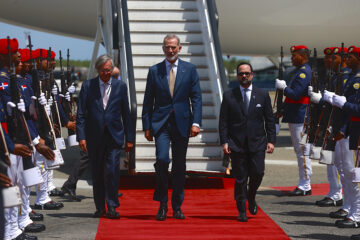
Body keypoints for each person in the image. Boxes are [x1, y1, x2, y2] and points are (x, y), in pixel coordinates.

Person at [142, 34, 202, 221]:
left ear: (180, 48)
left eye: (173, 47)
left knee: (179, 166)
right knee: (161, 160)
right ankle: (162, 203)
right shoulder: (154, 71)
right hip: (161, 123)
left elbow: (197, 98)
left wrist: (196, 122)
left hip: (182, 123)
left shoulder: (190, 70)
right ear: (163, 48)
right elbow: (147, 101)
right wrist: (146, 126)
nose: (170, 50)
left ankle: (177, 206)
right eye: (167, 47)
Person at [76, 54, 134, 219]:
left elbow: (126, 114)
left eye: (109, 70)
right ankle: (100, 206)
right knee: (97, 173)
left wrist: (130, 139)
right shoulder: (88, 86)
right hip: (94, 137)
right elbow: (81, 114)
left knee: (112, 172)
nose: (106, 73)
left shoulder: (120, 86)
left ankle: (112, 206)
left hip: (114, 136)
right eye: (103, 71)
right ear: (98, 70)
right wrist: (81, 137)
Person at [219, 63, 275, 222]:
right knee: (240, 178)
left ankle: (251, 196)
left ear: (252, 75)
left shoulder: (263, 94)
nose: (244, 76)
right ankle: (241, 209)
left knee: (258, 172)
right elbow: (223, 121)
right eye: (241, 73)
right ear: (237, 76)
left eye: (247, 73)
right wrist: (224, 141)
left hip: (257, 142)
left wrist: (271, 140)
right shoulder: (229, 95)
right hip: (236, 143)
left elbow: (269, 120)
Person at [61, 66, 123, 200]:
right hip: (92, 130)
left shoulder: (115, 86)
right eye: (114, 75)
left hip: (102, 131)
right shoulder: (93, 86)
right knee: (86, 157)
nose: (114, 77)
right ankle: (70, 184)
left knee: (94, 158)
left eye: (116, 75)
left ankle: (107, 188)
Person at [326, 46, 360, 229]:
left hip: (356, 132)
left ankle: (356, 214)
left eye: (352, 57)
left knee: (355, 175)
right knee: (350, 174)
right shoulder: (353, 78)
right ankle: (352, 211)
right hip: (352, 131)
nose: (348, 59)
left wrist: (344, 103)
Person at [308, 47, 346, 208]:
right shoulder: (334, 76)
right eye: (326, 58)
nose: (327, 61)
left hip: (341, 126)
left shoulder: (345, 77)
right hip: (330, 123)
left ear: (341, 59)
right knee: (331, 161)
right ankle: (334, 193)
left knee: (342, 165)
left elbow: (343, 103)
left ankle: (340, 197)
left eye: (332, 58)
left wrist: (324, 99)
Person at [275, 45, 312, 196]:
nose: (292, 59)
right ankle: (304, 182)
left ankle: (305, 184)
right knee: (299, 151)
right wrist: (282, 110)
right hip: (294, 115)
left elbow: (296, 94)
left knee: (302, 152)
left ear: (302, 56)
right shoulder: (299, 72)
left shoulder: (304, 73)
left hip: (299, 116)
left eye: (294, 56)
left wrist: (284, 88)